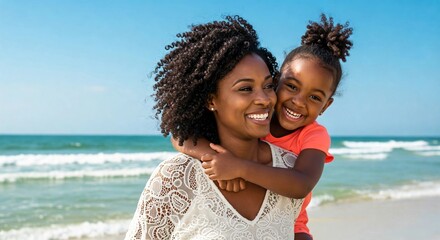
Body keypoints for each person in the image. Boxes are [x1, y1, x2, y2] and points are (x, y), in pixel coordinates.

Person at [172, 14, 353, 240]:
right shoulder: (256, 119)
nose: (299, 101)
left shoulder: (314, 135)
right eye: (292, 86)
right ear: (275, 81)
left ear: (326, 106)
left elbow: (301, 184)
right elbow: (181, 134)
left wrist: (239, 168)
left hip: (292, 225)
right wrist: (212, 157)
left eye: (315, 98)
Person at [125, 15, 305, 239]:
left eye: (268, 86)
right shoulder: (178, 177)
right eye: (245, 89)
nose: (265, 99)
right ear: (211, 100)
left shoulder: (290, 168)